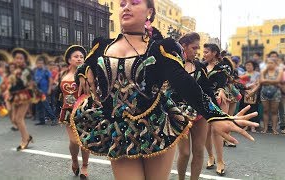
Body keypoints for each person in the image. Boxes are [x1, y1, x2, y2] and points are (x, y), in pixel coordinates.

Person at [71, 1, 258, 179]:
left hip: (156, 127)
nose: (126, 7)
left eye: (134, 2)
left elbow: (184, 82)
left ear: (149, 12)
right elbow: (84, 65)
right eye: (122, 4)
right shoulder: (101, 46)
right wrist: (83, 71)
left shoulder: (160, 48)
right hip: (118, 130)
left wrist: (214, 115)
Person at [176, 32, 217, 180]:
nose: (197, 51)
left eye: (198, 48)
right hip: (180, 115)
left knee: (199, 151)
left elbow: (208, 91)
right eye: (194, 47)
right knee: (185, 152)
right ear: (183, 46)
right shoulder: (173, 66)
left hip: (200, 114)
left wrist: (217, 114)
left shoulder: (199, 67)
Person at [57, 45, 90, 178]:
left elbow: (90, 93)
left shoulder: (87, 74)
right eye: (76, 56)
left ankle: (85, 166)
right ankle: (75, 160)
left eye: (81, 57)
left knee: (85, 141)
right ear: (69, 60)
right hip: (68, 112)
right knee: (74, 141)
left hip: (84, 111)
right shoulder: (63, 74)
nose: (79, 59)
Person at [203, 43, 234, 176]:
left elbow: (223, 82)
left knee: (217, 131)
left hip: (219, 100)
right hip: (203, 101)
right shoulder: (201, 66)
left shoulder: (223, 67)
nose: (204, 54)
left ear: (215, 53)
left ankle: (221, 161)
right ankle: (211, 156)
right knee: (205, 132)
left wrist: (221, 90)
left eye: (206, 52)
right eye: (203, 52)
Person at [9, 48, 34, 151]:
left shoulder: (26, 70)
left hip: (24, 95)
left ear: (24, 60)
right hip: (15, 96)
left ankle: (25, 140)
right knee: (14, 119)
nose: (18, 60)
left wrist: (17, 76)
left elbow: (25, 84)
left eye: (21, 58)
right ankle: (27, 136)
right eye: (17, 58)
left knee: (19, 119)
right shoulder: (14, 70)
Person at [260, 57, 282, 134]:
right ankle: (265, 128)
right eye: (268, 63)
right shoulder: (263, 71)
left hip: (276, 93)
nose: (269, 64)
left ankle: (274, 128)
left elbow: (278, 81)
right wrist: (273, 82)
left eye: (271, 63)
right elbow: (261, 81)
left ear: (275, 64)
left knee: (274, 111)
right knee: (265, 110)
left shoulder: (279, 71)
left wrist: (267, 81)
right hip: (264, 92)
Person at [33, 55, 56, 126]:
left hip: (44, 91)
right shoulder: (36, 71)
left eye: (41, 63)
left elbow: (50, 81)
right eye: (38, 63)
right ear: (36, 64)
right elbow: (34, 81)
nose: (40, 64)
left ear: (43, 64)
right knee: (39, 106)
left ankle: (53, 119)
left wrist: (49, 89)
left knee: (46, 106)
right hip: (38, 92)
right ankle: (42, 120)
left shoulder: (46, 71)